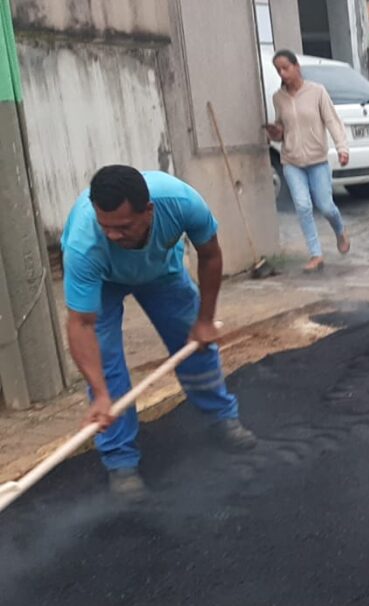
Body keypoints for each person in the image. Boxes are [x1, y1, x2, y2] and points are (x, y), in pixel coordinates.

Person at [60, 166, 257, 500]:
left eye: (123, 227)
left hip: (160, 272)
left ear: (148, 211)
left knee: (195, 342)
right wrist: (100, 392)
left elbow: (210, 254)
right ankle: (121, 461)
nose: (113, 236)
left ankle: (222, 418)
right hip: (104, 282)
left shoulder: (180, 202)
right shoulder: (84, 243)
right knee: (107, 370)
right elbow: (81, 324)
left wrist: (206, 319)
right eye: (105, 226)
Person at [265, 49, 350, 274]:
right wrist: (275, 132)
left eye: (286, 68)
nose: (282, 73)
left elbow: (332, 121)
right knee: (303, 206)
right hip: (291, 160)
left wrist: (342, 147)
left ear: (296, 67)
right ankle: (315, 254)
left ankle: (340, 230)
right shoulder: (278, 98)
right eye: (278, 70)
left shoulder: (317, 92)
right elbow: (282, 129)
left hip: (317, 159)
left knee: (326, 206)